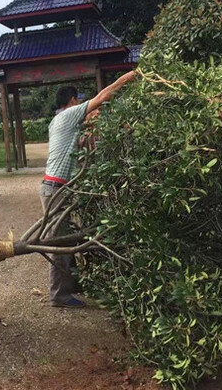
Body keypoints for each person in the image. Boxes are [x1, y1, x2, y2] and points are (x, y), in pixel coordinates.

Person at [39, 70, 137, 308]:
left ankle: (72, 284)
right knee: (59, 243)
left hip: (57, 188)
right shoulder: (70, 115)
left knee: (69, 234)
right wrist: (131, 76)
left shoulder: (58, 121)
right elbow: (103, 96)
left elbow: (79, 143)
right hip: (56, 189)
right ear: (72, 102)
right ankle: (59, 296)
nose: (85, 106)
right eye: (80, 101)